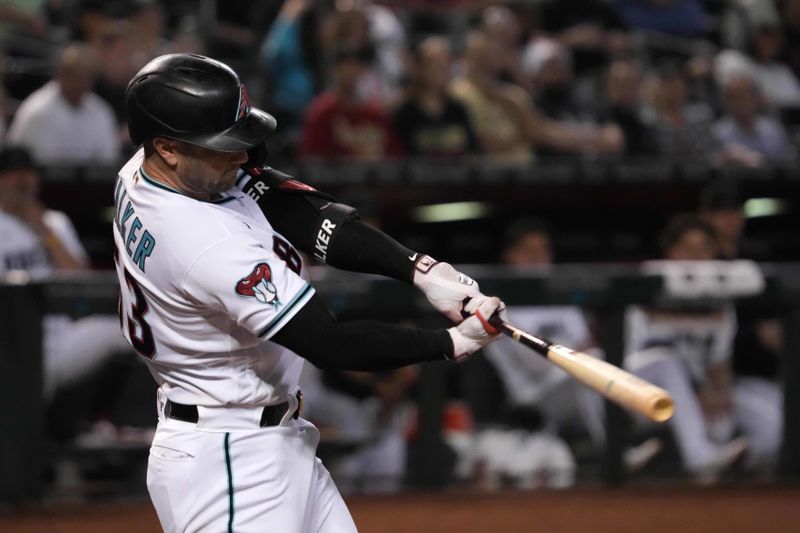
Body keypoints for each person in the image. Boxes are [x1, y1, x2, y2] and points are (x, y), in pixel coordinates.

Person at [118, 53, 504, 532]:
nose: (242, 156)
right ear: (168, 147)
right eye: (224, 145)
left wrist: (419, 270)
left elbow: (290, 206)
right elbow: (328, 341)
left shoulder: (150, 170)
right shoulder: (204, 243)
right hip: (229, 461)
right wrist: (452, 342)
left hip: (269, 437)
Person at [0, 145, 130, 405]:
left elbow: (82, 281)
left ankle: (106, 423)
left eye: (29, 173)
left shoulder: (55, 222)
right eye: (15, 174)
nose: (24, 181)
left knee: (131, 330)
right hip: (15, 339)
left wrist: (44, 231)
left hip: (64, 334)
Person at [624, 214, 749, 484]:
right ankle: (699, 456)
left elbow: (719, 362)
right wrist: (698, 391)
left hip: (689, 397)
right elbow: (655, 349)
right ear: (671, 251)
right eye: (687, 248)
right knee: (667, 361)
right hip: (636, 387)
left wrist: (719, 394)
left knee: (746, 421)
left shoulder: (720, 296)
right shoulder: (652, 280)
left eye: (704, 248)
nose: (696, 256)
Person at [6, 43, 120, 165]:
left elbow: (109, 161)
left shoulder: (101, 111)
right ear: (61, 75)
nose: (84, 83)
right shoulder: (37, 111)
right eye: (77, 76)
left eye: (88, 77)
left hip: (92, 184)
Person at [392, 36, 480, 158]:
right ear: (419, 67)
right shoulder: (405, 113)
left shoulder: (458, 109)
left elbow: (473, 151)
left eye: (444, 64)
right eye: (431, 64)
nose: (439, 70)